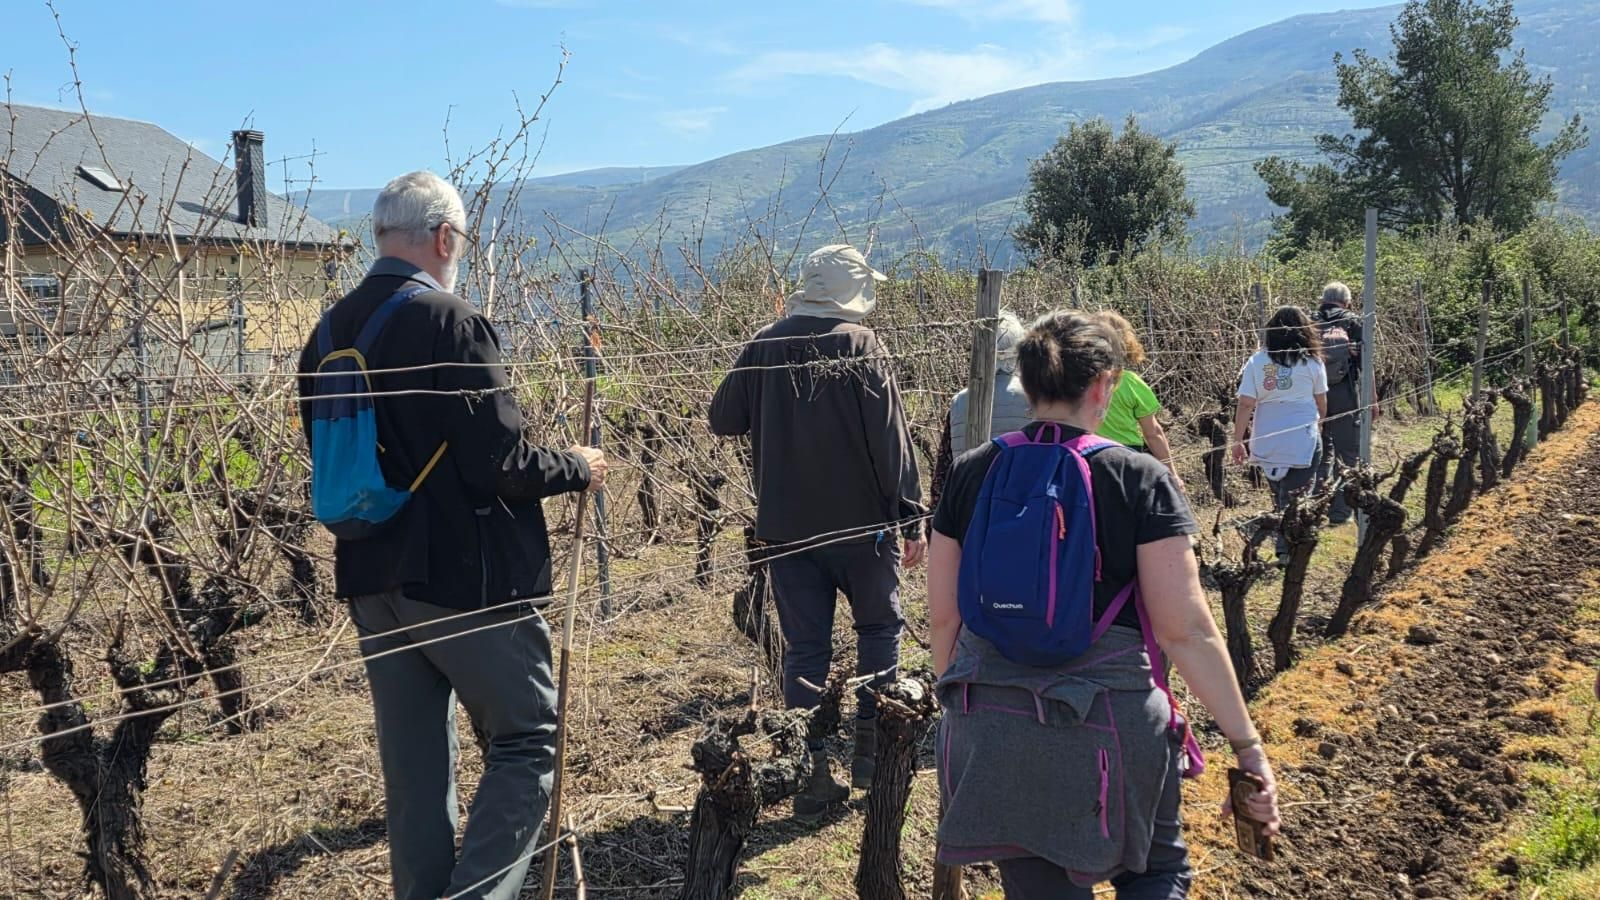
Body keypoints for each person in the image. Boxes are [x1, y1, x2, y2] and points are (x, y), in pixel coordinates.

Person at [296, 171, 607, 900]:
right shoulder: (452, 322)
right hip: (464, 578)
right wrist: (578, 465)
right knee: (530, 738)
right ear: (443, 238)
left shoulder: (327, 332)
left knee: (414, 775)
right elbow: (500, 463)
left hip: (373, 576)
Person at [928, 311, 1280, 898]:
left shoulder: (969, 474)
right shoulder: (1138, 478)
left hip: (990, 724)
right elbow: (1184, 630)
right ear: (1103, 386)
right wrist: (1247, 746)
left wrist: (965, 713)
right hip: (1111, 728)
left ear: (1027, 384)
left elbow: (944, 617)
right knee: (1154, 871)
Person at [709, 244, 925, 820]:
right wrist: (910, 513)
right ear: (851, 290)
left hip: (787, 531)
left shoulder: (766, 342)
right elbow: (890, 438)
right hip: (862, 528)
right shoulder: (860, 344)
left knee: (805, 650)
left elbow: (721, 418)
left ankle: (809, 773)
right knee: (879, 627)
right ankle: (872, 755)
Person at [1232, 306, 1328, 557]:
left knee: (1280, 495)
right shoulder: (1313, 362)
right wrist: (1321, 423)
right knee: (1297, 498)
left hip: (1266, 439)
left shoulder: (1257, 361)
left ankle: (1283, 543)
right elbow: (1322, 401)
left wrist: (1237, 440)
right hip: (1302, 438)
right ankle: (1290, 548)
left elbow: (1245, 403)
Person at [932, 310, 1029, 510]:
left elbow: (944, 467)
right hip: (1022, 507)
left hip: (969, 508)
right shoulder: (1036, 398)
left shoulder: (959, 401)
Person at [1094, 310, 1184, 491]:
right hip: (1127, 458)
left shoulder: (1076, 383)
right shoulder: (1131, 383)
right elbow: (1153, 433)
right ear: (1124, 342)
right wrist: (1172, 473)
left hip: (1088, 456)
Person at [1312, 282, 1364, 524]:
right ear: (1347, 301)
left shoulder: (1308, 321)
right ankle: (1340, 510)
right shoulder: (1353, 321)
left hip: (1312, 394)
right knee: (1347, 450)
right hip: (1344, 391)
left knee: (1319, 450)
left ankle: (1314, 505)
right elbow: (1366, 360)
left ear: (1323, 299)